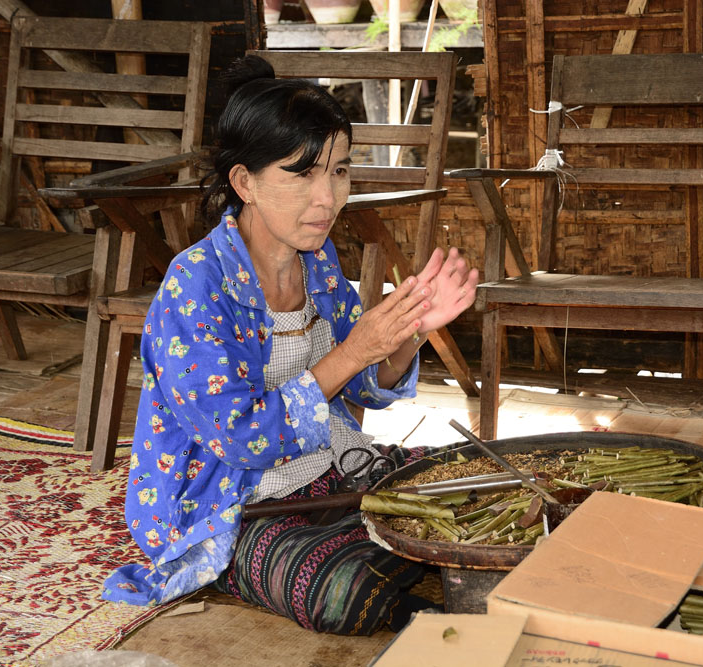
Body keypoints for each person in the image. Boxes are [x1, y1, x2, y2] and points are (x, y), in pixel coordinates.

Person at [102, 55, 479, 636]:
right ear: (245, 182)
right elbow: (241, 438)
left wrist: (411, 332)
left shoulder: (318, 263)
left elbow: (362, 387)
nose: (328, 197)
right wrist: (355, 349)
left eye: (339, 171)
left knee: (477, 477)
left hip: (327, 472)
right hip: (232, 506)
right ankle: (383, 561)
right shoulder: (196, 285)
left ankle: (383, 544)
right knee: (341, 589)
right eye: (302, 174)